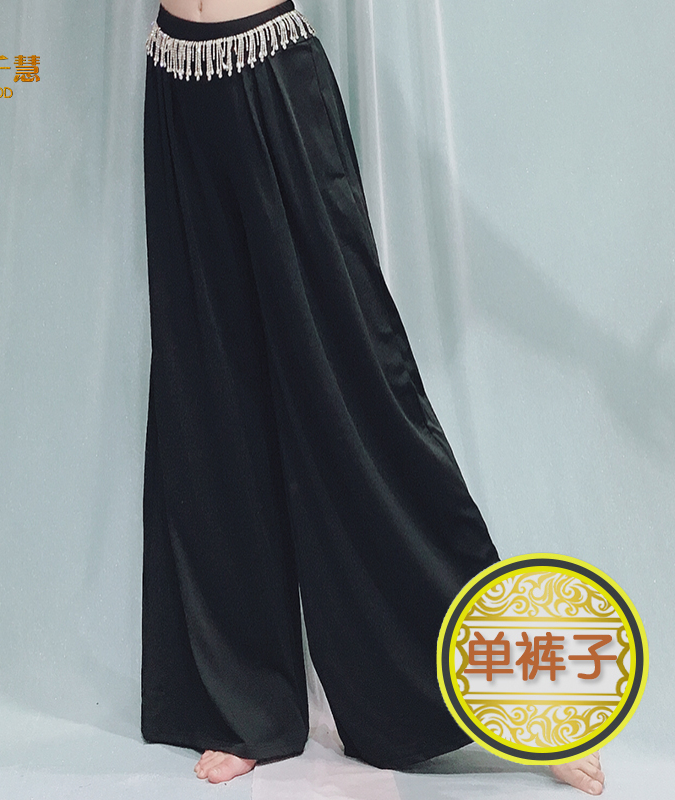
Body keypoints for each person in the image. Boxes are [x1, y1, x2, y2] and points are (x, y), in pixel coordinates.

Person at [140, 0, 605, 795]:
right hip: (177, 89)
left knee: (359, 397)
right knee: (209, 398)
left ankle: (505, 688)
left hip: (273, 85)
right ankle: (245, 703)